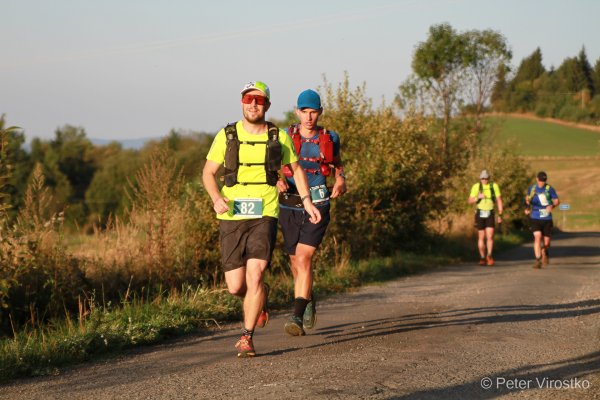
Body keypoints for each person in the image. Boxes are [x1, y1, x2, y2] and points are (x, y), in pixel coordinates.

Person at [202, 81, 321, 357]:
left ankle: (246, 337)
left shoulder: (278, 136)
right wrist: (215, 198)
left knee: (254, 275)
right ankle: (259, 300)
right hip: (231, 214)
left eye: (258, 100)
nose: (253, 104)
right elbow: (208, 173)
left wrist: (307, 202)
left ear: (266, 105)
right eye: (248, 100)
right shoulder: (227, 135)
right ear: (242, 103)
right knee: (235, 287)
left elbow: (296, 170)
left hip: (264, 213)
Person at [277, 89, 347, 336]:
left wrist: (340, 179)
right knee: (295, 262)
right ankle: (307, 297)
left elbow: (337, 163)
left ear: (320, 112)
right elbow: (272, 165)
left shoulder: (331, 137)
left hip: (318, 204)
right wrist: (277, 180)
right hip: (289, 205)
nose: (309, 117)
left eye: (313, 112)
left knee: (305, 258)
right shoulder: (285, 136)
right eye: (304, 111)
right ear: (297, 111)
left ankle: (295, 316)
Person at [468, 170, 504, 266]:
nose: (484, 180)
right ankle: (482, 257)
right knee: (481, 236)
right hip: (480, 213)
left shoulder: (494, 186)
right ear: (480, 178)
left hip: (490, 213)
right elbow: (469, 201)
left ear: (489, 178)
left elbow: (499, 200)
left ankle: (489, 256)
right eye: (483, 178)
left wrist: (500, 215)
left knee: (490, 236)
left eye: (486, 178)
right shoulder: (476, 186)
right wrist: (477, 198)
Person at [525, 171, 559, 269]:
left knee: (547, 242)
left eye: (543, 181)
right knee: (537, 237)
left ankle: (545, 251)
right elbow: (527, 198)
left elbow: (557, 201)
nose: (541, 183)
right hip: (535, 216)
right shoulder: (532, 189)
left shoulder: (549, 189)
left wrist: (552, 206)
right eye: (540, 180)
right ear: (537, 179)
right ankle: (538, 259)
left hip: (547, 218)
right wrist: (527, 207)